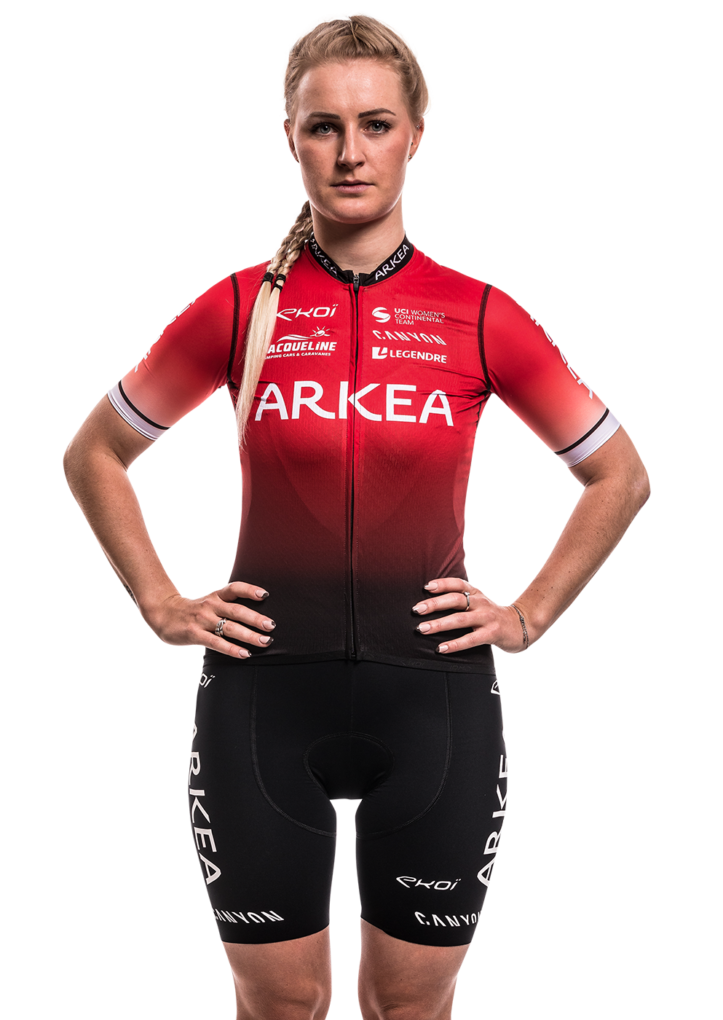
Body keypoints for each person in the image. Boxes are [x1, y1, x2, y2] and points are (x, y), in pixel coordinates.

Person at [62, 11, 651, 1019]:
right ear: (290, 136)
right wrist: (159, 602)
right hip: (259, 699)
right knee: (279, 1003)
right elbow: (95, 452)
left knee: (411, 1004)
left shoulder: (480, 314)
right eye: (323, 126)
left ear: (416, 131)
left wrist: (527, 616)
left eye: (375, 124)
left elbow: (619, 476)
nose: (350, 154)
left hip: (436, 702)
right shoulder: (239, 308)